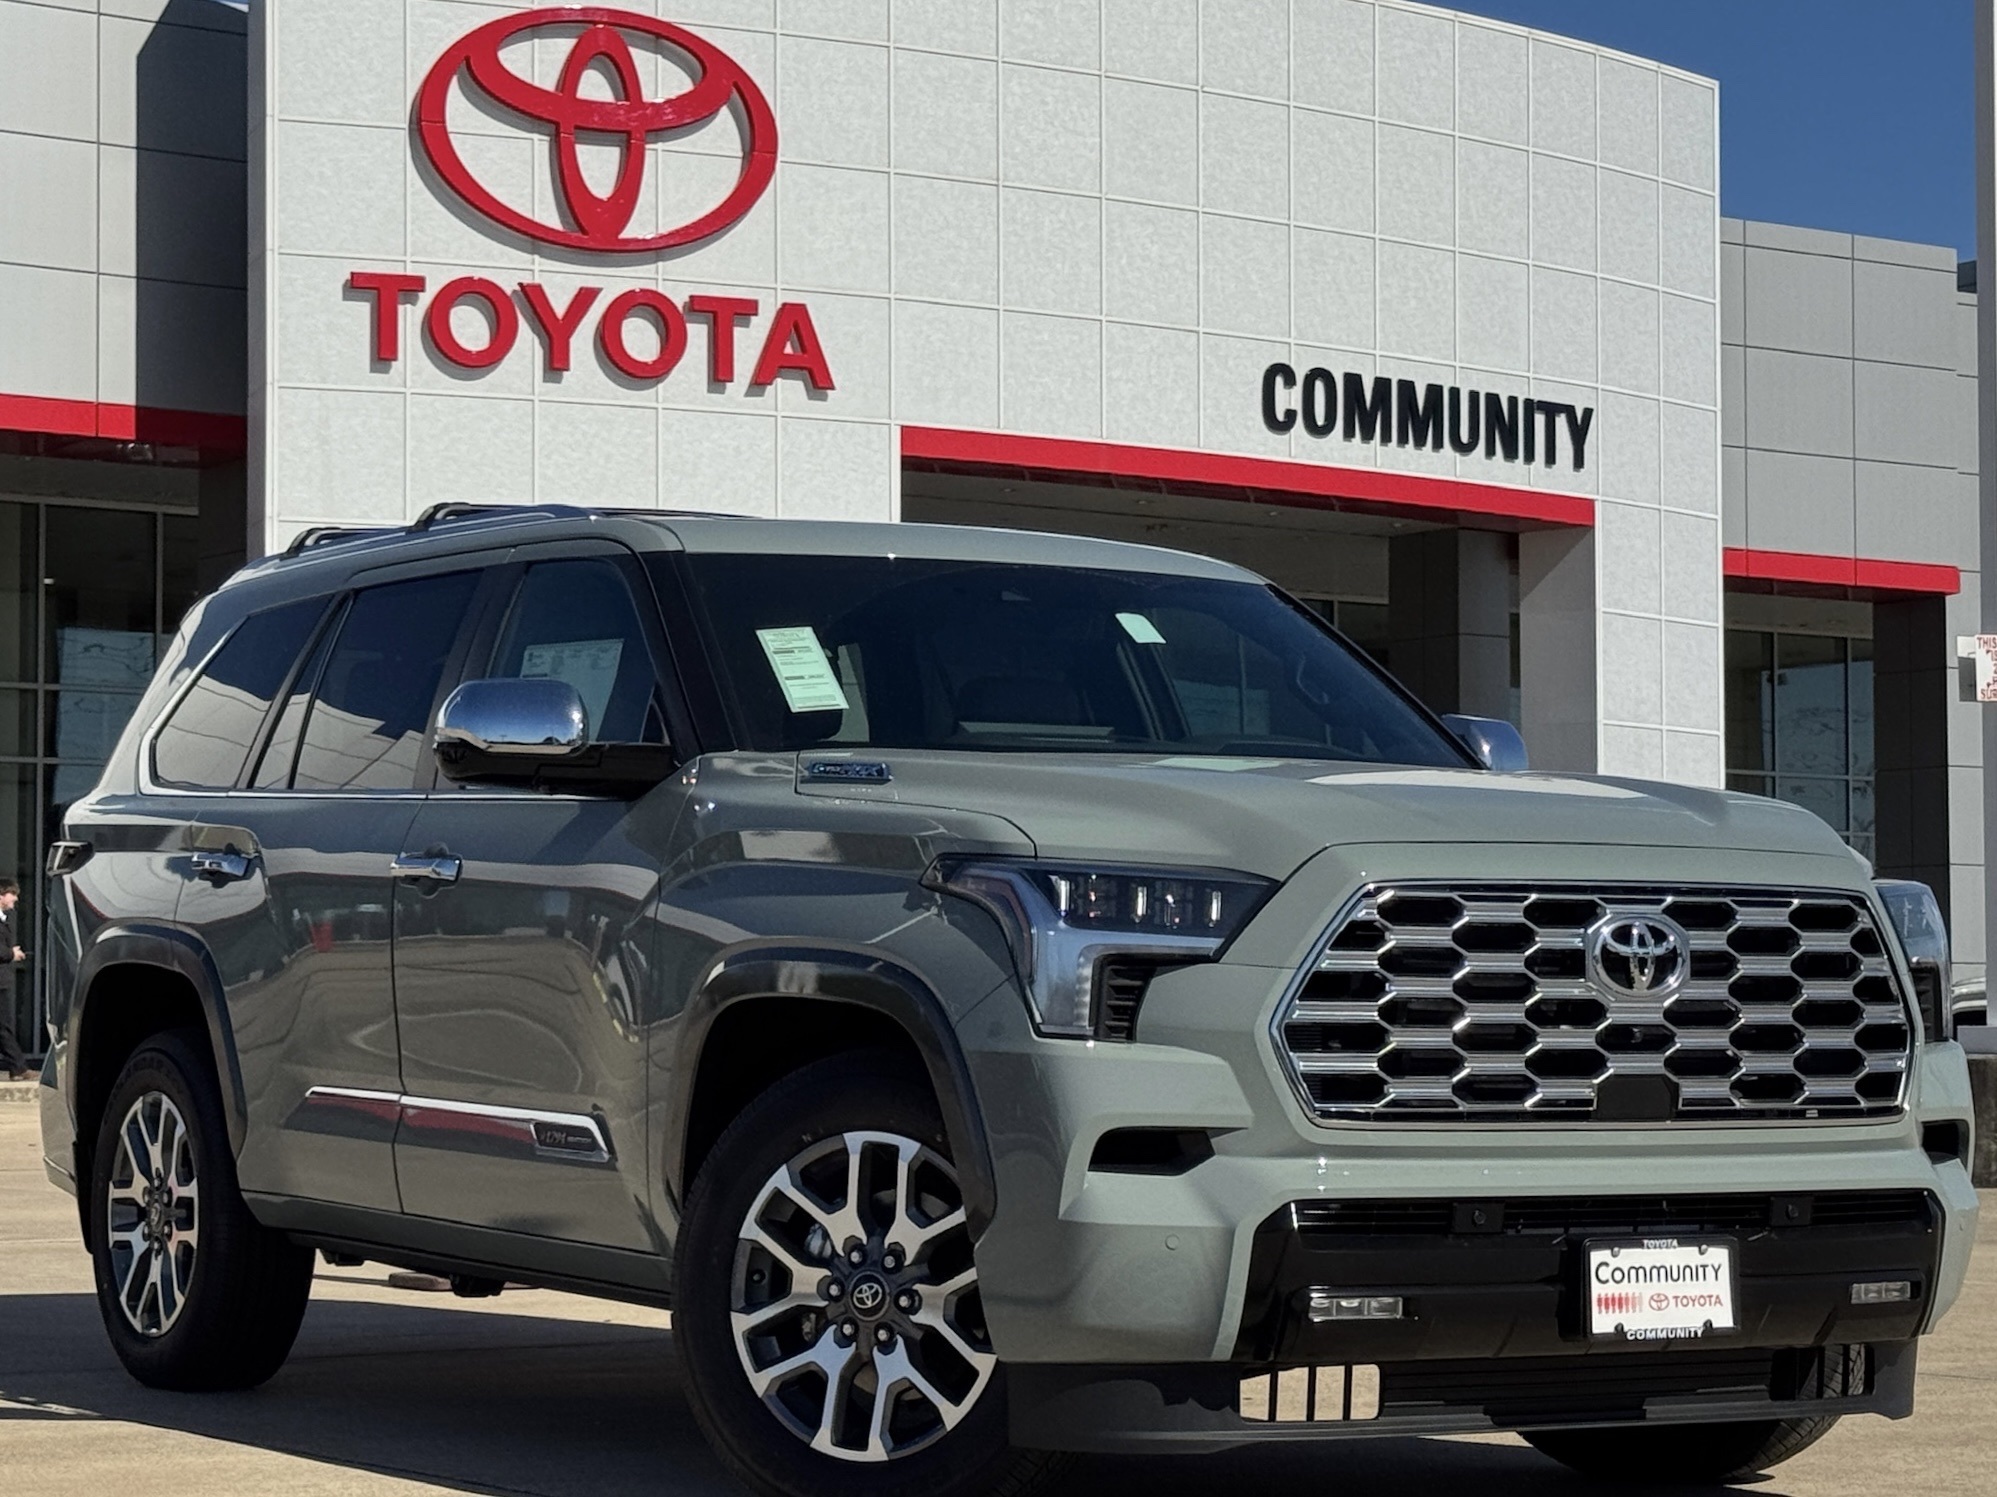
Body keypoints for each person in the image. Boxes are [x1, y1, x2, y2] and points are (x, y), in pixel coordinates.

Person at [0, 878, 28, 1080]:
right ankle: (18, 1068)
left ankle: (17, 1067)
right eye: (12, 894)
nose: (15, 899)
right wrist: (11, 954)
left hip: (3, 980)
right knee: (4, 1025)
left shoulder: (6, 917)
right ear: (1, 895)